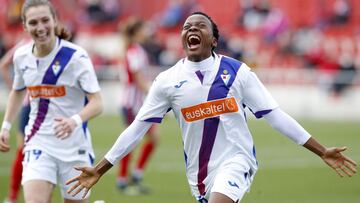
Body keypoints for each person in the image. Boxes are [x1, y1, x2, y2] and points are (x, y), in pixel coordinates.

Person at [66, 12, 357, 203]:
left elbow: (275, 116)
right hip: (199, 175)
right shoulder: (167, 81)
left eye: (200, 25)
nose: (191, 29)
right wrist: (101, 168)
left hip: (237, 161)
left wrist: (321, 150)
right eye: (186, 27)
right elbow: (137, 128)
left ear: (213, 39)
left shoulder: (238, 72)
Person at [0, 0, 103, 203]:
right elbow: (18, 91)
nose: (40, 28)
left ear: (55, 20)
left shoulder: (76, 57)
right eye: (33, 22)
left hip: (75, 147)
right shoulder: (21, 56)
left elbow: (97, 102)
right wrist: (6, 125)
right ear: (24, 25)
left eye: (45, 20)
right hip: (39, 142)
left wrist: (74, 120)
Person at [116, 17, 159, 194]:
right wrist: (156, 96)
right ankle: (124, 179)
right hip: (132, 104)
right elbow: (138, 79)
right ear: (136, 32)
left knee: (151, 138)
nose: (147, 32)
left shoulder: (136, 50)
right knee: (131, 141)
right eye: (143, 28)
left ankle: (134, 175)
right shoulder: (134, 51)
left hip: (137, 103)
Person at [0, 38, 31, 203]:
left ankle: (12, 197)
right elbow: (4, 65)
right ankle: (12, 196)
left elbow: (3, 65)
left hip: (50, 109)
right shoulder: (25, 45)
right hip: (31, 105)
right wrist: (16, 89)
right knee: (23, 151)